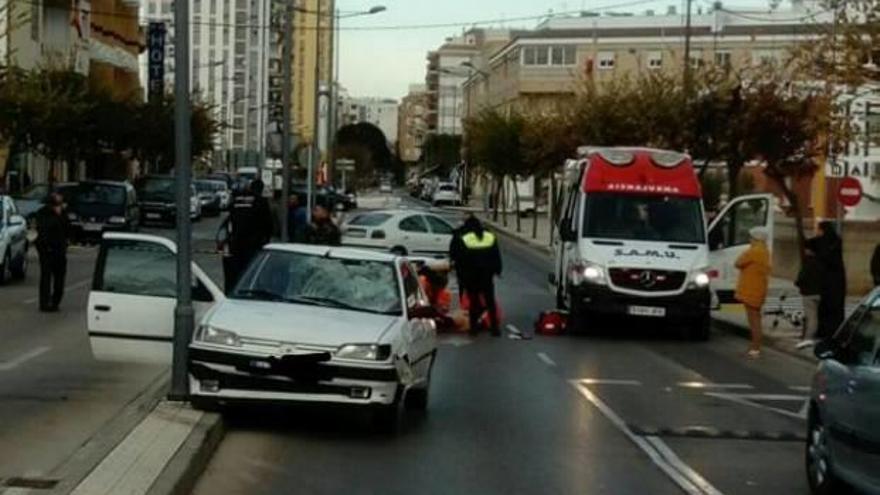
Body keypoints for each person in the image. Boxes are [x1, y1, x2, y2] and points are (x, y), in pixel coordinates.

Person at [221, 180, 274, 291]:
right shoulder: (261, 201)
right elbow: (268, 224)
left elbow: (230, 216)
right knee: (250, 272)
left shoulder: (238, 199)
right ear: (261, 189)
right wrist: (266, 240)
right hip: (253, 243)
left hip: (235, 243)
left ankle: (232, 291)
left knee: (234, 273)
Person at [458, 216, 502, 336]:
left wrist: (462, 276)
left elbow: (462, 260)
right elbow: (496, 255)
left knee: (474, 302)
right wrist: (497, 270)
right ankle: (495, 328)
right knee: (490, 302)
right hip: (487, 275)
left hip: (472, 276)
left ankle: (473, 329)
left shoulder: (466, 239)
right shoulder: (490, 237)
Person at [734, 227, 771, 358]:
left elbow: (738, 263)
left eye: (751, 238)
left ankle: (755, 348)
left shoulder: (753, 251)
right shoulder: (765, 251)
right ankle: (755, 346)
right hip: (759, 289)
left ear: (756, 239)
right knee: (756, 319)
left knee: (754, 321)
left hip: (750, 290)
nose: (749, 240)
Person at [807, 221, 847, 340]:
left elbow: (809, 243)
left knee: (825, 307)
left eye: (818, 230)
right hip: (838, 281)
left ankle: (824, 331)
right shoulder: (836, 240)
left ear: (822, 230)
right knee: (836, 308)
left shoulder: (822, 242)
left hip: (826, 281)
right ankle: (836, 331)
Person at [35, 193, 68, 312]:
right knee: (46, 276)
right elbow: (43, 228)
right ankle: (44, 303)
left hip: (60, 249)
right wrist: (56, 215)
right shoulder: (43, 213)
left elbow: (67, 228)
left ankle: (55, 302)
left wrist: (61, 215)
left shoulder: (63, 213)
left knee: (60, 278)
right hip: (46, 249)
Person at [796, 247, 823, 346]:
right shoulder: (822, 263)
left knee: (811, 317)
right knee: (817, 316)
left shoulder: (808, 263)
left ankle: (808, 337)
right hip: (820, 292)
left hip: (809, 293)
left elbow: (801, 278)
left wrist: (799, 284)